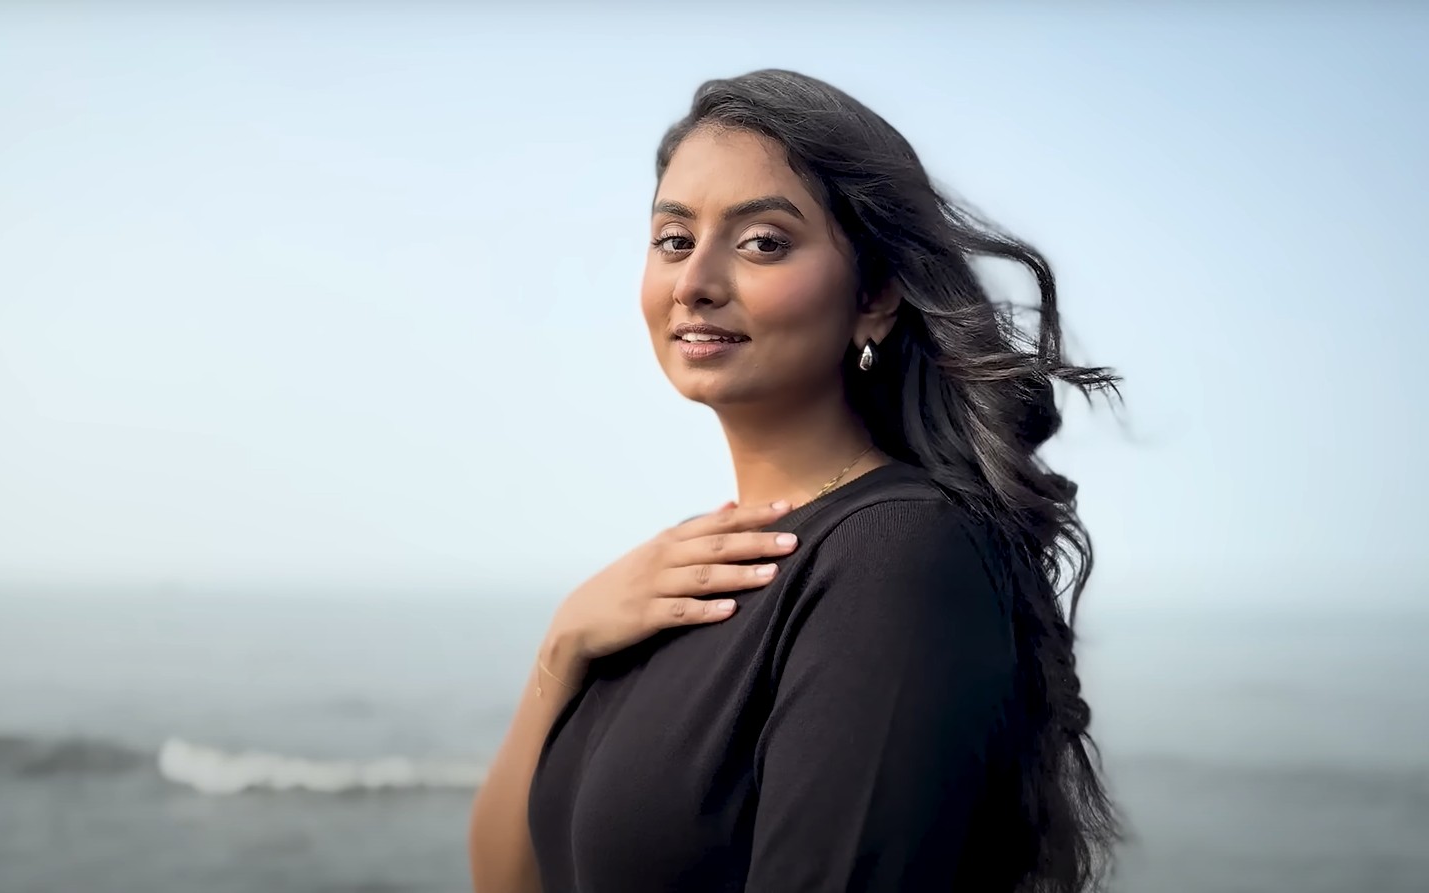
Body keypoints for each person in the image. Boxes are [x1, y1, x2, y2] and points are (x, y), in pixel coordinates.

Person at [468, 69, 1120, 893]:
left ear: (876, 294)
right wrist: (562, 646)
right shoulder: (684, 571)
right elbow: (505, 878)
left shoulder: (894, 553)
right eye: (674, 239)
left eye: (762, 242)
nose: (695, 281)